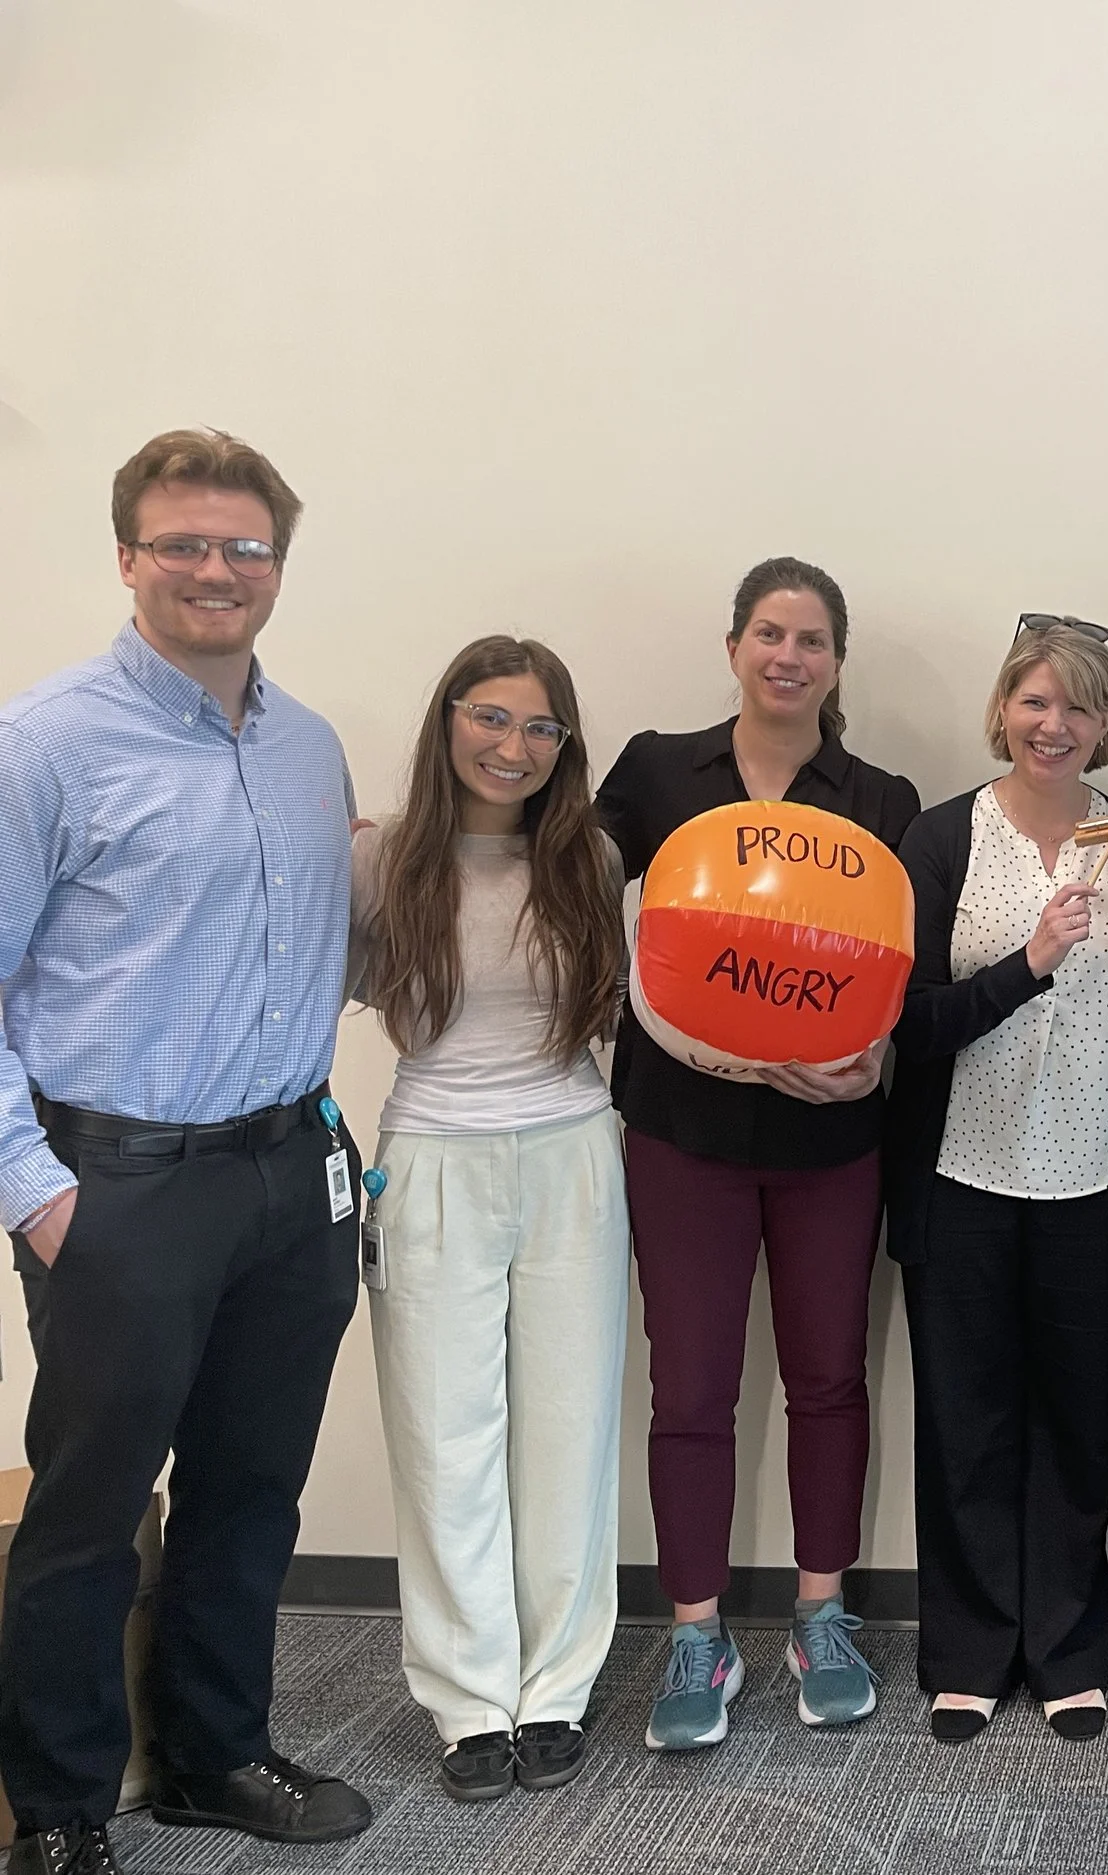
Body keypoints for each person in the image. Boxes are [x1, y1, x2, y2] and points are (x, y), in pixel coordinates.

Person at [0, 430, 373, 1872]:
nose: (217, 570)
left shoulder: (306, 743)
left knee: (248, 1483)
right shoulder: (45, 745)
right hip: (123, 1187)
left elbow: (300, 953)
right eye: (185, 545)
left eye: (245, 547)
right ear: (128, 558)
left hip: (289, 1175)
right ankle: (61, 1806)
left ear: (277, 565)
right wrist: (38, 1195)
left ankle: (216, 1750)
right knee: (93, 1508)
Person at [595, 557, 919, 1752]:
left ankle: (819, 1616)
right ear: (733, 643)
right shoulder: (650, 770)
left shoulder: (881, 796)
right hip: (684, 1135)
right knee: (689, 1389)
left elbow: (897, 970)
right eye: (770, 633)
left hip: (832, 1139)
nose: (790, 656)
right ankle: (697, 1633)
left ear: (838, 661)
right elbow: (574, 905)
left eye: (814, 640)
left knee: (829, 1377)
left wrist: (869, 1061)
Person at [885, 617, 1108, 1744]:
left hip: (1089, 1186)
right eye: (1035, 702)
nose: (1055, 725)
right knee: (964, 1420)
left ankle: (1064, 1650)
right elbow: (908, 1026)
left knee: (1074, 1425)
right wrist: (1030, 966)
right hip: (959, 1177)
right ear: (1003, 710)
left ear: (1107, 726)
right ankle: (967, 1649)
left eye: (1081, 707)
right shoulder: (940, 836)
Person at [350, 636, 628, 1802]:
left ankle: (552, 1690)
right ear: (448, 721)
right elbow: (302, 996)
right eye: (492, 719)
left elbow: (627, 1015)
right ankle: (469, 1704)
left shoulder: (592, 860)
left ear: (564, 746)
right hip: (432, 1163)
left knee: (567, 1435)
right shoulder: (381, 863)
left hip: (571, 1153)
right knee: (443, 1439)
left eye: (540, 728)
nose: (513, 748)